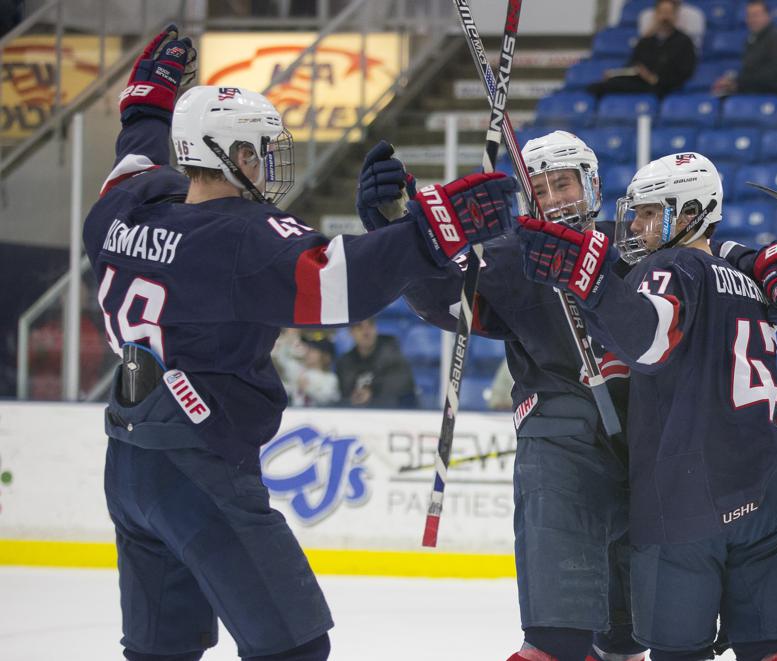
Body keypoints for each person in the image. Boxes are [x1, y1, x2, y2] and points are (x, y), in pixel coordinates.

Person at [83, 26, 517, 661]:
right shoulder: (238, 241)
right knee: (293, 646)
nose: (266, 164)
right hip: (199, 466)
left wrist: (148, 99)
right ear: (226, 152)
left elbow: (138, 151)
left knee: (160, 650)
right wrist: (434, 228)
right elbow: (338, 284)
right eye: (257, 151)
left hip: (129, 463)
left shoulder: (123, 210)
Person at [357, 134, 777, 661]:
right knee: (557, 638)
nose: (554, 197)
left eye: (565, 182)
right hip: (566, 455)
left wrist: (772, 263)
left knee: (623, 642)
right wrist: (400, 234)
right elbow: (448, 301)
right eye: (542, 187)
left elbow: (706, 252)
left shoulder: (630, 243)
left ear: (593, 185)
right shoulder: (511, 257)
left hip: (647, 467)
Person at [516, 151, 777, 661]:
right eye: (637, 212)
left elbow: (649, 340)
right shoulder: (750, 281)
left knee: (679, 651)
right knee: (776, 645)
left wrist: (589, 280)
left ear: (692, 212)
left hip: (685, 493)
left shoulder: (668, 265)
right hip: (766, 488)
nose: (636, 225)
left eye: (651, 213)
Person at [588, 0, 697, 99]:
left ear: (675, 15)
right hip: (640, 82)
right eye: (662, 12)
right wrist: (615, 75)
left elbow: (685, 73)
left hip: (664, 87)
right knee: (598, 87)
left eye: (669, 13)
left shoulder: (684, 42)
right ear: (656, 15)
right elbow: (632, 66)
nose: (665, 17)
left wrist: (655, 79)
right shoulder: (645, 41)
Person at [713, 0, 777, 98]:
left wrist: (739, 82)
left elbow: (775, 73)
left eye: (756, 15)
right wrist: (733, 82)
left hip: (776, 93)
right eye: (749, 16)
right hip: (755, 90)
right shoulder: (750, 40)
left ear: (768, 16)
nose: (751, 19)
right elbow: (749, 72)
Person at [335, 317, 417, 408]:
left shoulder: (392, 352)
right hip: (357, 415)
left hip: (395, 413)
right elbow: (344, 390)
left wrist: (372, 390)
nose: (366, 332)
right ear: (351, 333)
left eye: (370, 326)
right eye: (359, 328)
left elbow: (403, 381)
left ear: (376, 329)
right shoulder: (345, 361)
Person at [272, 329, 342, 406]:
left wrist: (308, 388)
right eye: (308, 348)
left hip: (320, 415)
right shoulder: (297, 369)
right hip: (294, 414)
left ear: (325, 356)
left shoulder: (330, 378)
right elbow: (282, 361)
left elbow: (328, 399)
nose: (308, 352)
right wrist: (288, 339)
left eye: (313, 350)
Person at [636, 0, 706, 51]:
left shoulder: (694, 15)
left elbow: (692, 47)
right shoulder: (646, 15)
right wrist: (658, 23)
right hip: (653, 59)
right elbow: (643, 46)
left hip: (681, 60)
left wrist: (671, 23)